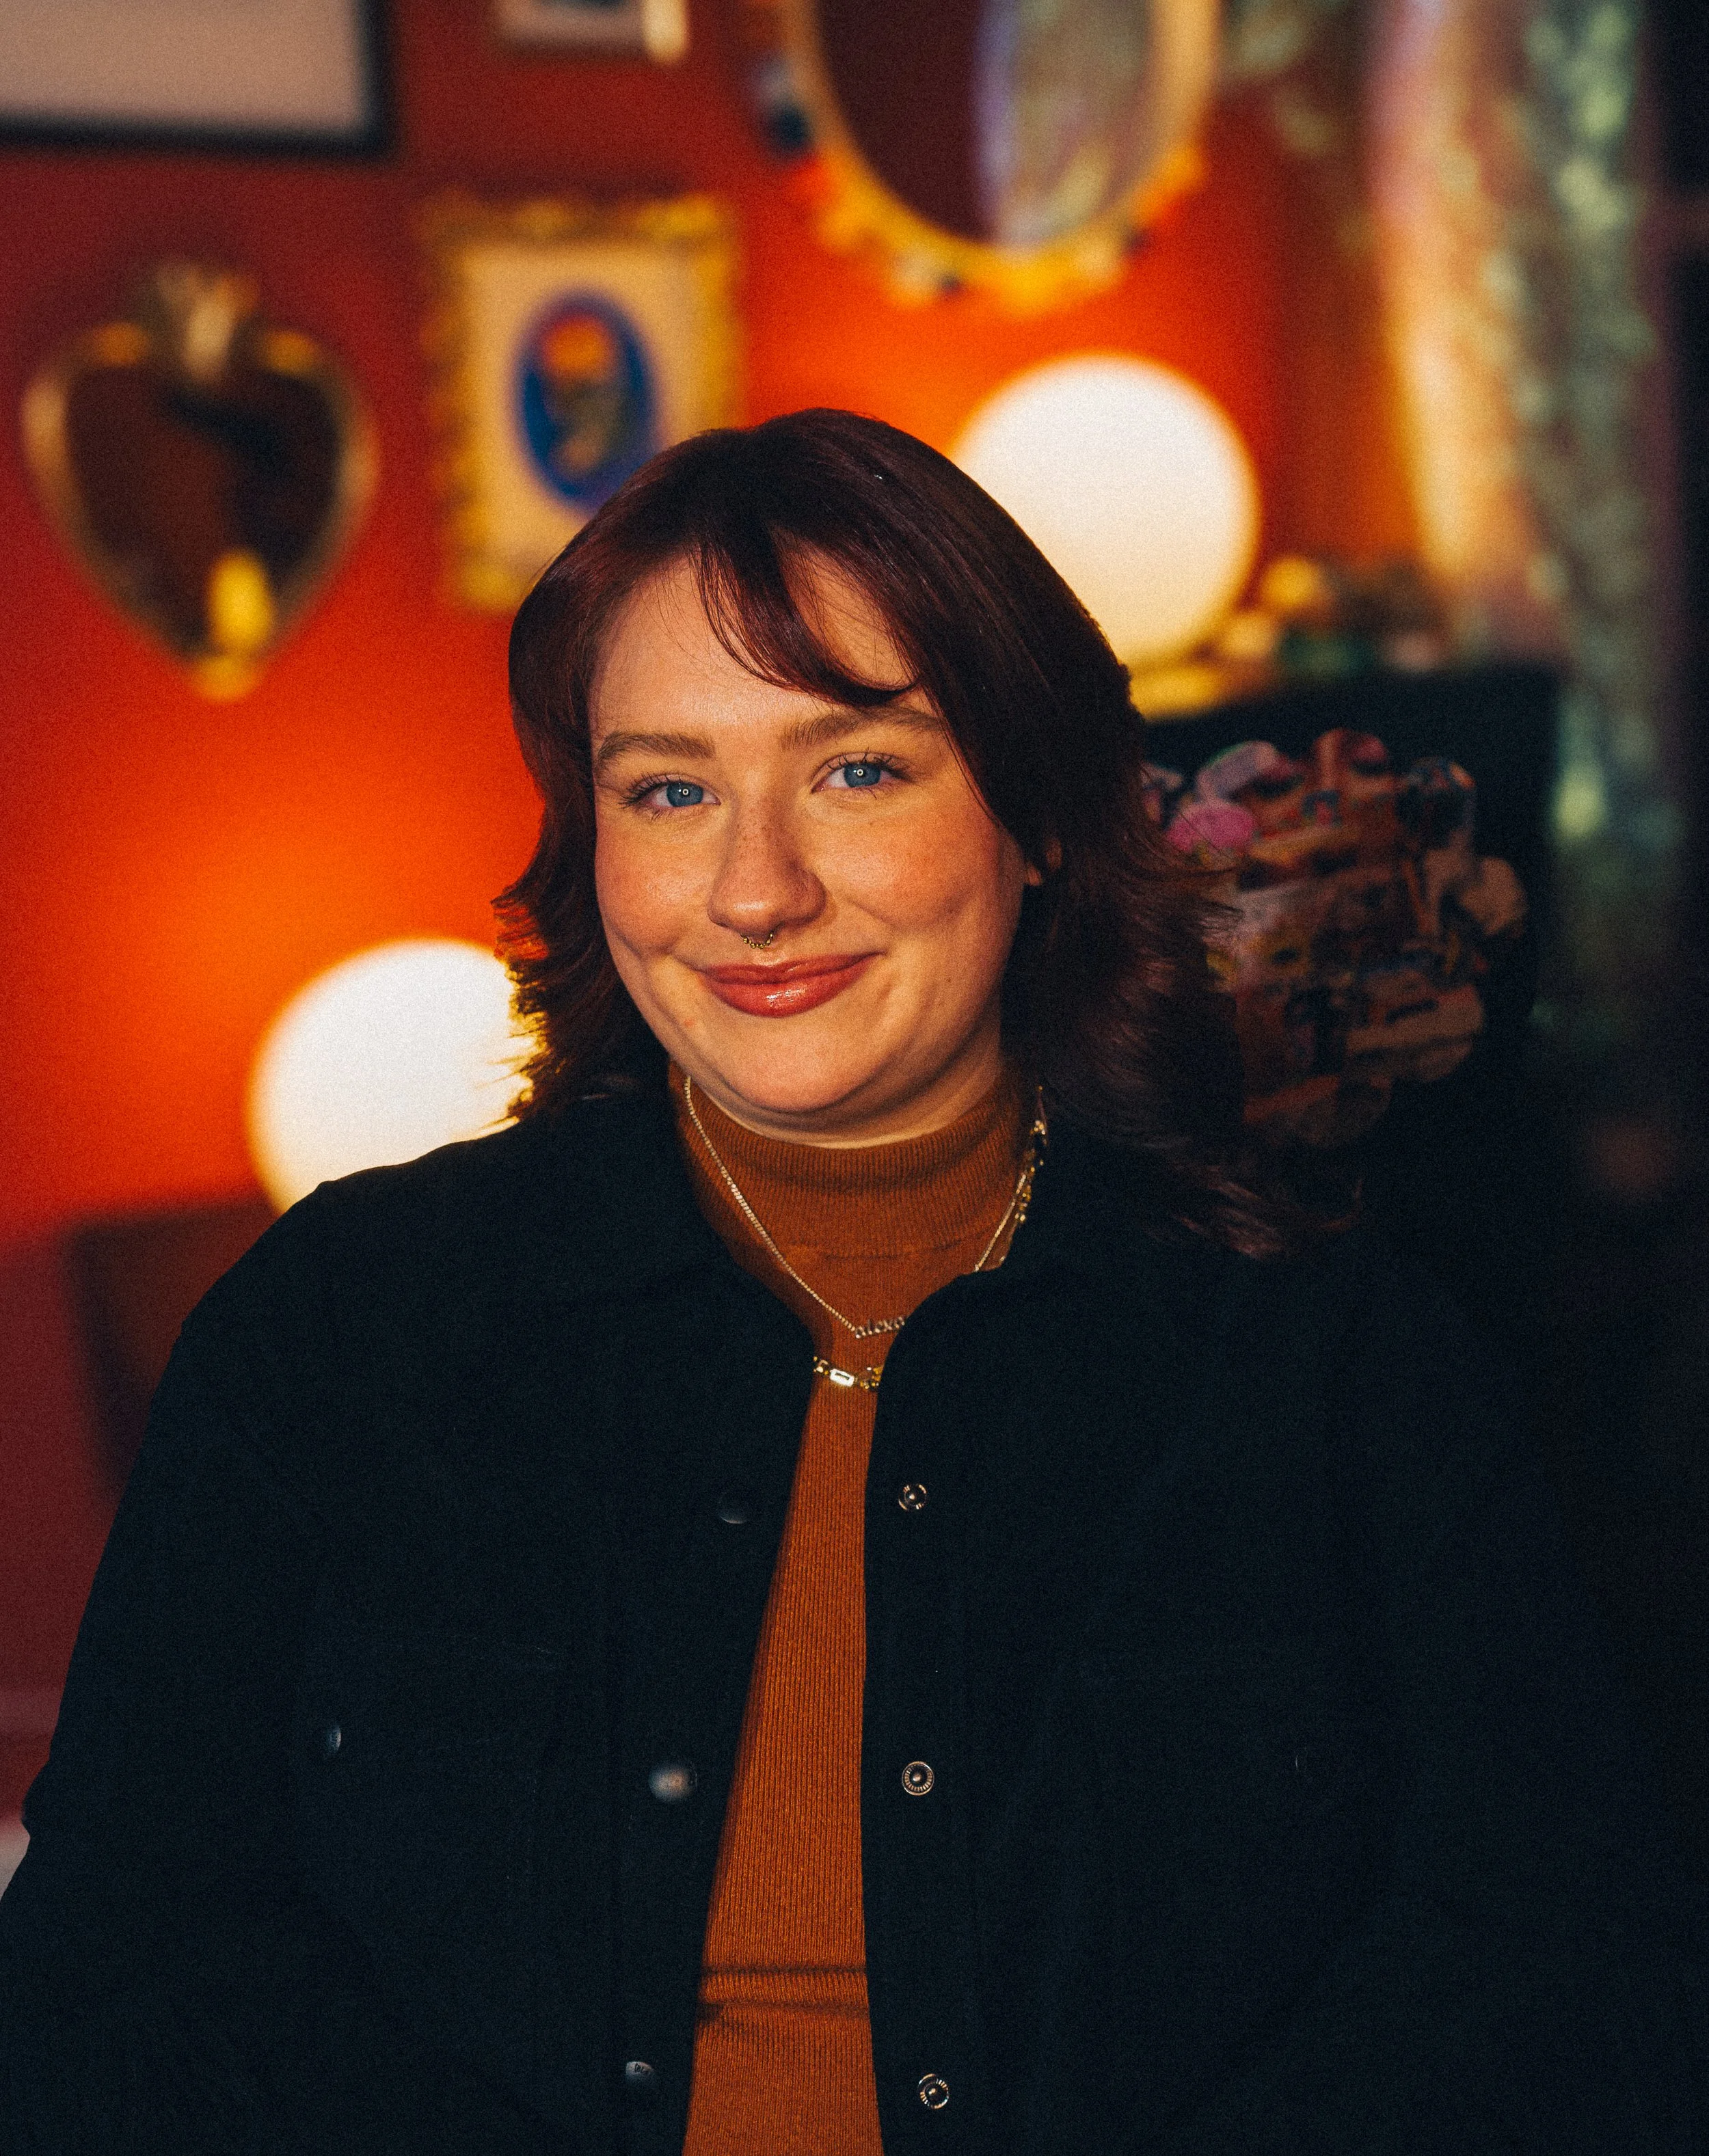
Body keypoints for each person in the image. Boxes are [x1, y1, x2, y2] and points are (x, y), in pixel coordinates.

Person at [0, 409, 1702, 2155]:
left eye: (858, 771)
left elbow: (1552, 1970)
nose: (755, 891)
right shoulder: (337, 1329)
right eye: (669, 789)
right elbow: (115, 1966)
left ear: (1039, 818)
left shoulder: (1331, 1354)